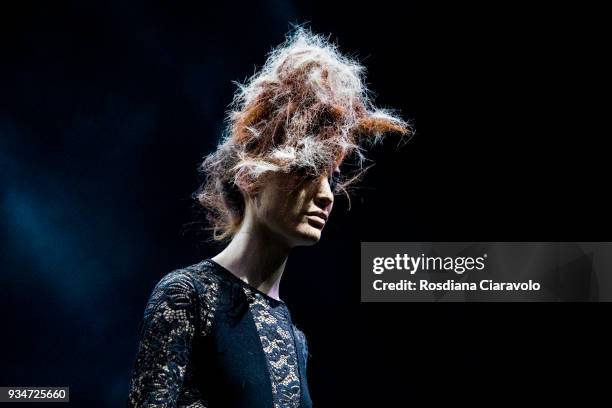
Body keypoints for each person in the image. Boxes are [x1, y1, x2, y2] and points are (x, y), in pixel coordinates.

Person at [126, 26, 410, 407]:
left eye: (331, 177)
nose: (326, 195)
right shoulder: (187, 296)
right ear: (249, 176)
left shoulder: (294, 339)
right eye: (308, 171)